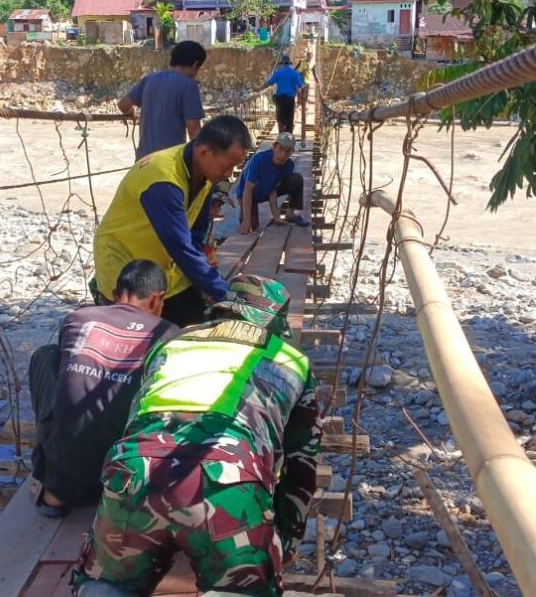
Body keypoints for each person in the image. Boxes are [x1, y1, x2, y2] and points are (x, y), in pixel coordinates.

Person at [74, 274, 321, 597]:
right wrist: (285, 541)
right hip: (228, 480)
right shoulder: (291, 360)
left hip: (135, 471)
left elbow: (135, 419)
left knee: (106, 587)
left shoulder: (174, 342)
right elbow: (302, 466)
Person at [27, 260, 178, 516]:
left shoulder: (78, 318)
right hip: (125, 477)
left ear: (114, 293)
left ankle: (52, 486)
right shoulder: (171, 335)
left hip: (64, 482)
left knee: (46, 356)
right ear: (156, 299)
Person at [93, 114, 253, 328]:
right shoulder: (163, 179)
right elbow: (181, 247)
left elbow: (197, 235)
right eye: (227, 166)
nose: (229, 174)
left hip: (164, 267)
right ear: (205, 152)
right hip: (127, 266)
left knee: (195, 323)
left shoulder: (205, 175)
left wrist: (211, 283)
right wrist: (222, 292)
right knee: (135, 338)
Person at [119, 40, 207, 160]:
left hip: (142, 163)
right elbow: (195, 134)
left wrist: (131, 112)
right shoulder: (188, 86)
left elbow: (123, 105)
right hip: (167, 164)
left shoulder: (150, 79)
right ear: (195, 64)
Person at [235, 132, 307, 234]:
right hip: (248, 193)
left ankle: (291, 214)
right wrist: (247, 221)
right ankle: (246, 215)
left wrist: (276, 216)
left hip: (265, 190)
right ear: (274, 146)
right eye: (281, 149)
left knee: (297, 179)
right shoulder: (259, 160)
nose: (283, 155)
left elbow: (272, 190)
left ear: (292, 152)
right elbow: (248, 189)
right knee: (251, 226)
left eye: (288, 151)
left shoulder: (289, 165)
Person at [264, 53, 305, 135]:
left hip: (281, 99)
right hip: (290, 99)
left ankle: (281, 137)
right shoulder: (294, 73)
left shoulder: (278, 72)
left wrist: (258, 89)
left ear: (282, 63)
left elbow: (269, 83)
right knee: (290, 119)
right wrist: (301, 97)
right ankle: (288, 138)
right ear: (289, 63)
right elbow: (301, 85)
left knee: (280, 119)